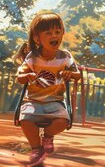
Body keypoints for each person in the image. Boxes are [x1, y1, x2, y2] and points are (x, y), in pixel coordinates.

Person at [15, 12, 80, 167]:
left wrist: (70, 73)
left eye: (57, 32)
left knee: (64, 121)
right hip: (34, 101)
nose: (54, 36)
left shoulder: (65, 56)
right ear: (37, 38)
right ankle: (36, 149)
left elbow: (78, 75)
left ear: (62, 34)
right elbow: (19, 75)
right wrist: (27, 75)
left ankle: (48, 136)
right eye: (48, 33)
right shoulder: (33, 57)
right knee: (24, 120)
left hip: (55, 102)